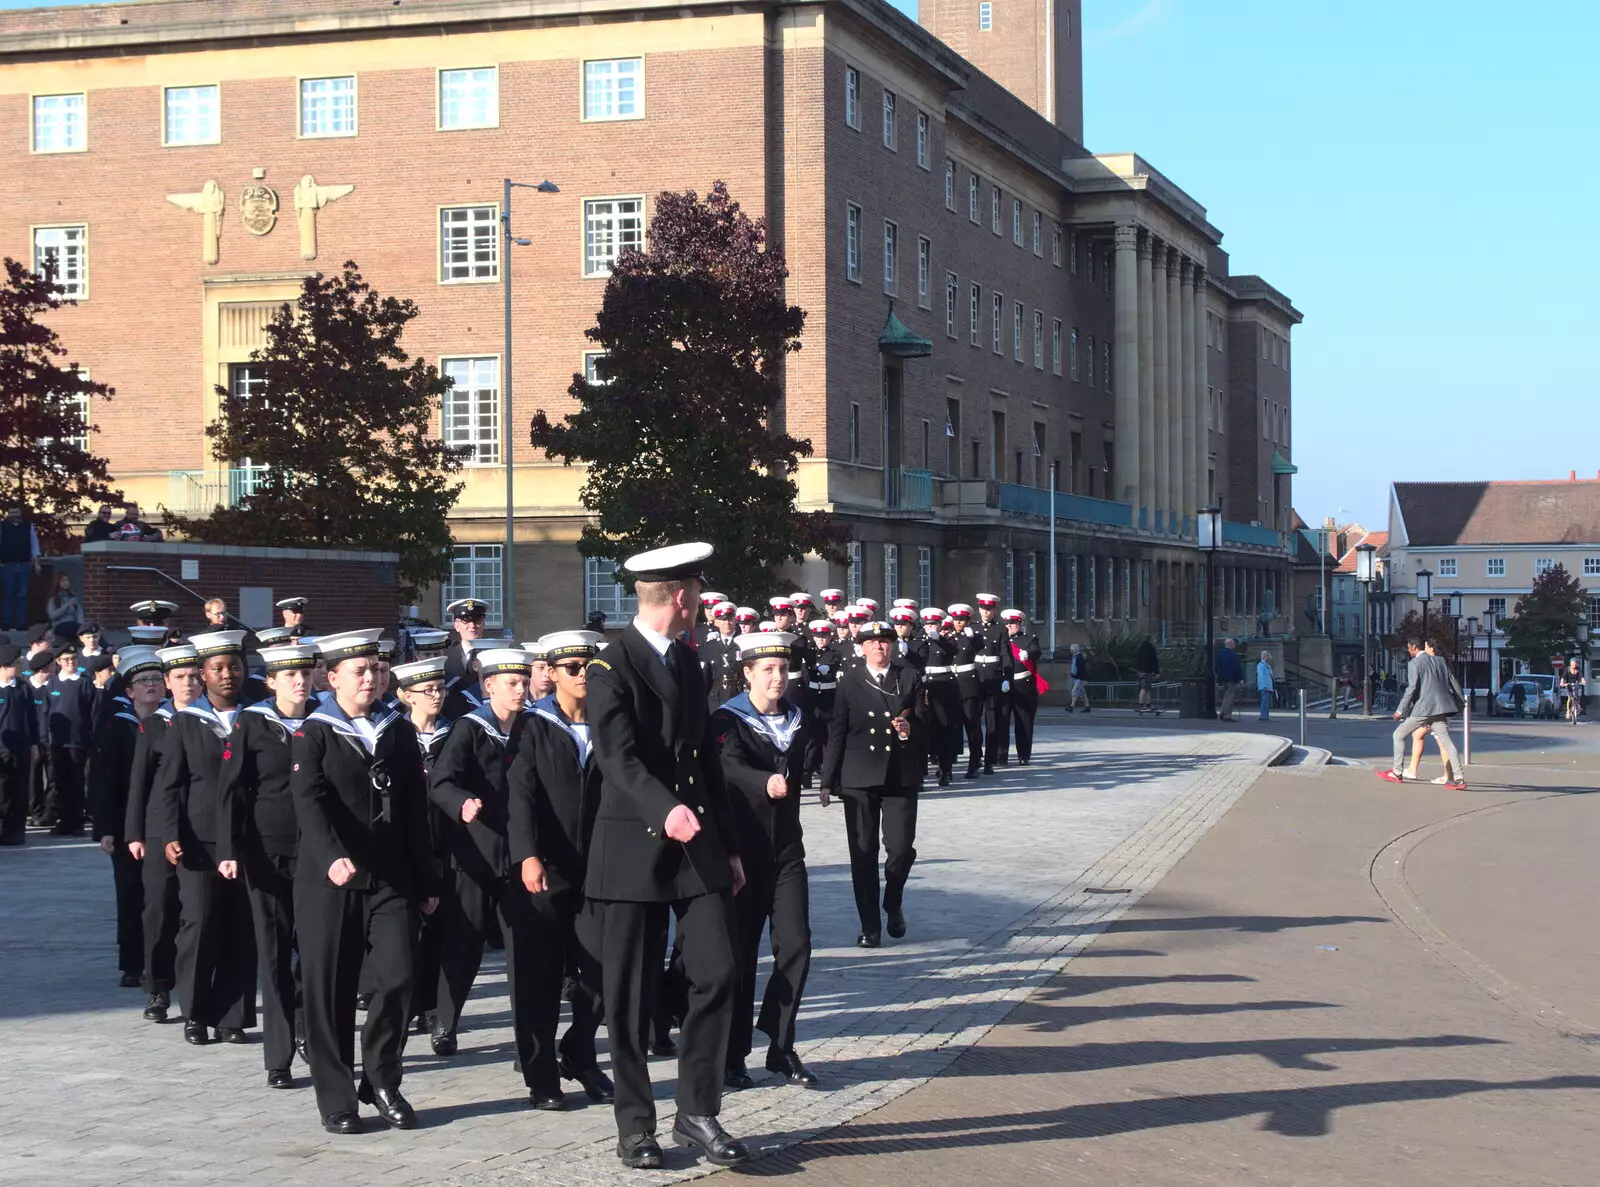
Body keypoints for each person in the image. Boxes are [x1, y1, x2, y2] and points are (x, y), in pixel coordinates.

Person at [584, 541, 748, 1170]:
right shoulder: (611, 664)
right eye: (699, 591)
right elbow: (616, 757)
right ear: (679, 595)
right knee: (628, 995)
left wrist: (728, 845)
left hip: (695, 844)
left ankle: (697, 1112)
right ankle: (635, 1125)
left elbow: (705, 761)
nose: (703, 601)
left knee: (719, 971)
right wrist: (663, 809)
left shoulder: (688, 661)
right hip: (632, 844)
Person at [292, 629, 439, 1135]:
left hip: (390, 876)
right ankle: (336, 1099)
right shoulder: (314, 731)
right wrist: (332, 855)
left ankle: (381, 1079)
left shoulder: (395, 729)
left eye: (377, 669)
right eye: (360, 670)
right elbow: (307, 801)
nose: (372, 677)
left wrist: (427, 879)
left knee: (398, 976)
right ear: (330, 677)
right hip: (329, 880)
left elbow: (415, 812)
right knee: (330, 990)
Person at [507, 630, 614, 1110]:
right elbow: (520, 794)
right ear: (550, 673)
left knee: (603, 971)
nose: (582, 676)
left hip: (600, 866)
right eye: (572, 668)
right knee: (540, 978)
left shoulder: (609, 723)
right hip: (545, 869)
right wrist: (527, 854)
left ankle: (579, 1050)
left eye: (588, 667)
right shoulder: (532, 726)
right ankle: (541, 1076)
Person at [713, 631, 818, 1090]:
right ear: (748, 673)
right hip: (742, 852)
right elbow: (727, 766)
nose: (778, 677)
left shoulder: (797, 717)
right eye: (768, 670)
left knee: (796, 944)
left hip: (786, 850)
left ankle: (780, 1044)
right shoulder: (727, 719)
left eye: (783, 669)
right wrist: (764, 781)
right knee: (739, 955)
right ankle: (732, 1055)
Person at [427, 648, 538, 1079]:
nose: (520, 689)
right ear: (488, 685)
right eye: (511, 682)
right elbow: (441, 782)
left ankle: (526, 1037)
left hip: (520, 856)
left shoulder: (533, 728)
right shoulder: (469, 729)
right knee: (463, 944)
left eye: (523, 681)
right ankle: (445, 1022)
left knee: (523, 953)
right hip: (474, 854)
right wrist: (462, 803)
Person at [215, 643, 317, 1088]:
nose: (299, 681)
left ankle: (313, 1035)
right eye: (289, 675)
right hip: (267, 852)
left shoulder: (325, 720)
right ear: (271, 681)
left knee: (315, 952)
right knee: (275, 952)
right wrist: (228, 849)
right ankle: (278, 1056)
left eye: (305, 674)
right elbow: (232, 790)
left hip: (319, 854)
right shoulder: (252, 722)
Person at [154, 630, 258, 1045]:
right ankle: (195, 1013)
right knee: (200, 924)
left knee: (242, 927)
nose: (228, 675)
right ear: (203, 675)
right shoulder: (186, 721)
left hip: (250, 840)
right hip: (199, 841)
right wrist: (169, 832)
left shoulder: (258, 718)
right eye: (218, 669)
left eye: (234, 666)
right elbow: (169, 784)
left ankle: (232, 1016)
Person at [820, 619, 921, 949]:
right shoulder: (849, 681)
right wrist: (827, 779)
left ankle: (892, 902)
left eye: (886, 641)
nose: (880, 646)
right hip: (859, 776)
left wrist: (910, 729)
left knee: (902, 849)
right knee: (863, 853)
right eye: (873, 642)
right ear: (861, 647)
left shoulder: (908, 675)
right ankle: (870, 926)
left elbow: (925, 719)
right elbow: (837, 730)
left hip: (899, 775)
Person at [125, 643, 202, 1022]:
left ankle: (197, 989)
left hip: (203, 829)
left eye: (193, 676)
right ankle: (157, 987)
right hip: (158, 830)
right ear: (169, 684)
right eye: (180, 678)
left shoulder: (214, 721)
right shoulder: (156, 723)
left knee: (198, 912)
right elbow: (139, 781)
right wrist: (134, 833)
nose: (188, 683)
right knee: (158, 908)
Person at [88, 646, 166, 987]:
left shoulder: (173, 722)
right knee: (131, 892)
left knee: (162, 897)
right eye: (143, 680)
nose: (151, 685)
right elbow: (103, 779)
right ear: (130, 690)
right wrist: (105, 828)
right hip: (123, 824)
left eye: (156, 679)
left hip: (164, 824)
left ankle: (162, 960)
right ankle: (133, 963)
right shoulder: (118, 725)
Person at [391, 655, 453, 1036]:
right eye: (426, 691)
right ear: (405, 696)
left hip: (446, 843)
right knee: (405, 931)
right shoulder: (394, 734)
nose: (435, 696)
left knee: (438, 930)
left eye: (440, 689)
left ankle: (431, 1005)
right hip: (407, 842)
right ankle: (407, 1003)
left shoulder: (457, 730)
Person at [1380, 639, 1464, 788]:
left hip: (1424, 709)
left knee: (1398, 735)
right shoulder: (1440, 661)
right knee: (1447, 743)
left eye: (1408, 648)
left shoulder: (1414, 664)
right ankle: (1458, 778)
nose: (1408, 651)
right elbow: (1453, 681)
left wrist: (1400, 710)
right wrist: (1461, 702)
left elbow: (1411, 688)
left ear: (1413, 647)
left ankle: (1397, 772)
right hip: (1441, 709)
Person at [45, 638, 95, 834]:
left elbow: (91, 712)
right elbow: (46, 712)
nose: (71, 663)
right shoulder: (53, 683)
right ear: (58, 662)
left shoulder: (84, 683)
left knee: (76, 782)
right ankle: (64, 821)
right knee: (60, 782)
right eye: (66, 660)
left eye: (74, 659)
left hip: (78, 741)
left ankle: (76, 822)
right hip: (58, 741)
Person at [0, 643, 39, 846]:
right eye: (16, 663)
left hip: (21, 748)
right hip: (2, 750)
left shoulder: (23, 689)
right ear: (4, 666)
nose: (19, 666)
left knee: (19, 791)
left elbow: (32, 719)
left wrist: (33, 743)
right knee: (3, 791)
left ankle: (15, 831)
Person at [915, 608, 959, 787]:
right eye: (927, 624)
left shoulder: (947, 640)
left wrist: (938, 638)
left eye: (933, 624)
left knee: (943, 729)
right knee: (923, 730)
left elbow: (952, 651)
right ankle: (920, 771)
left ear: (940, 625)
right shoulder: (919, 642)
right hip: (924, 687)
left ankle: (946, 769)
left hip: (943, 686)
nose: (930, 627)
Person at [1003, 609, 1046, 765]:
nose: (1009, 626)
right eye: (1007, 623)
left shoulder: (1028, 639)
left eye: (1013, 623)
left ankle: (1023, 755)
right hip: (1004, 686)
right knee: (1002, 721)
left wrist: (1027, 653)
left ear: (1020, 624)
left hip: (1023, 686)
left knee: (1024, 722)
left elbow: (1036, 651)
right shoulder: (1001, 640)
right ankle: (1001, 756)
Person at [946, 604, 983, 779]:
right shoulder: (948, 637)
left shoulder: (972, 637)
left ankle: (974, 762)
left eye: (962, 620)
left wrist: (972, 637)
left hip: (969, 685)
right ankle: (948, 765)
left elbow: (981, 645)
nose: (958, 622)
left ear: (968, 621)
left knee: (971, 726)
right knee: (952, 727)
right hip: (952, 686)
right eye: (956, 619)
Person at [974, 593, 1007, 770]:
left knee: (992, 720)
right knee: (974, 719)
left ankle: (990, 760)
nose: (986, 612)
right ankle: (976, 755)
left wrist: (1005, 678)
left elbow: (1005, 655)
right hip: (976, 677)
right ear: (979, 609)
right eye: (983, 609)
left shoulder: (1001, 629)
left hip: (993, 677)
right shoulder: (973, 628)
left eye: (989, 609)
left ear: (994, 610)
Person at [0, 506, 41, 631]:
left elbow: (34, 545)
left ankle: (21, 623)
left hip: (24, 564)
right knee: (7, 595)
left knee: (22, 595)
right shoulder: (2, 526)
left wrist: (36, 563)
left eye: (16, 511)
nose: (14, 514)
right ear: (8, 513)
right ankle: (6, 623)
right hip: (7, 565)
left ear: (20, 512)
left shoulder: (28, 526)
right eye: (11, 512)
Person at [1214, 637, 1243, 722]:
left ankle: (1222, 712)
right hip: (1232, 678)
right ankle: (1227, 715)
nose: (1234, 645)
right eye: (1233, 643)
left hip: (1222, 678)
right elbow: (1236, 667)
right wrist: (1240, 678)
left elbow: (1216, 666)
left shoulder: (1219, 654)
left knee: (1226, 696)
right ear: (1230, 644)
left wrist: (1218, 676)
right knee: (1231, 697)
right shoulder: (1232, 654)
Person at [1135, 637, 1160, 716]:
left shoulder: (1141, 648)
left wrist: (1139, 670)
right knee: (1145, 688)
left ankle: (1148, 704)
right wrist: (1157, 672)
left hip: (1141, 671)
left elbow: (1138, 659)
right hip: (1147, 671)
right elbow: (1154, 661)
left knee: (1147, 688)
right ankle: (1141, 705)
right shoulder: (1151, 648)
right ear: (1151, 640)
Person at [1067, 643, 1091, 712]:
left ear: (1074, 650)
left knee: (1074, 691)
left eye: (1071, 649)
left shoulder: (1079, 658)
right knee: (1082, 693)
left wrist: (1083, 679)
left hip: (1080, 678)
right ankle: (1087, 707)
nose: (1070, 651)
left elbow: (1082, 669)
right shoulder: (1075, 657)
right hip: (1077, 678)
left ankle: (1071, 707)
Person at [1561, 658, 1585, 723]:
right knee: (1570, 698)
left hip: (1576, 684)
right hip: (1568, 685)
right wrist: (1562, 683)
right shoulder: (1567, 669)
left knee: (1577, 695)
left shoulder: (1578, 670)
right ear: (1571, 664)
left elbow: (1581, 677)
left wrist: (1583, 681)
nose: (1574, 665)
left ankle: (1578, 706)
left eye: (1575, 664)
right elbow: (1563, 677)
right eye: (1573, 664)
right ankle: (1568, 711)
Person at [1256, 650, 1275, 721]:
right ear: (1264, 656)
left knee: (1267, 702)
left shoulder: (1267, 665)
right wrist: (1263, 685)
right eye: (1267, 656)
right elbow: (1261, 676)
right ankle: (1263, 716)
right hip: (1264, 686)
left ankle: (1266, 716)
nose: (1268, 657)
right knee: (1264, 701)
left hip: (1269, 686)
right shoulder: (1260, 665)